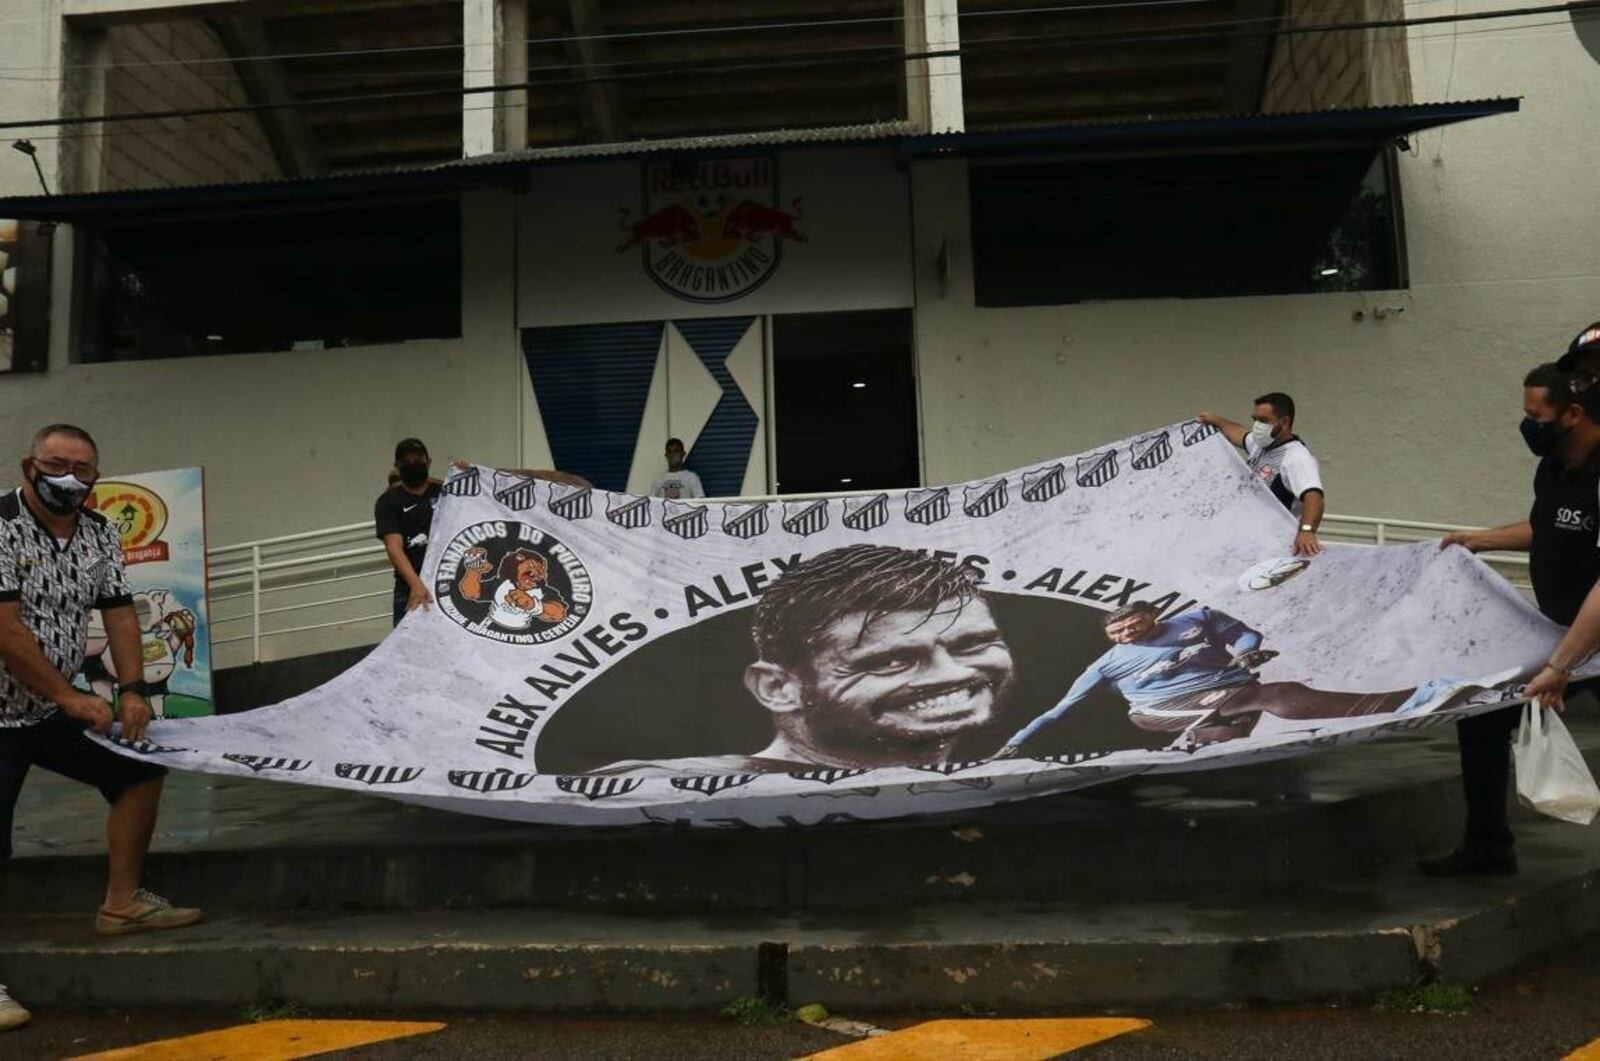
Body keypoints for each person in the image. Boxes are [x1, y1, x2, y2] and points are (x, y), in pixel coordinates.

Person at [1, 425, 203, 1030]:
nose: (69, 477)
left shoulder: (99, 532)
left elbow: (118, 612)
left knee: (139, 768)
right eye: (56, 464)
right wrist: (69, 694)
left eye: (82, 469)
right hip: (11, 709)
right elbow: (5, 628)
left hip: (49, 711)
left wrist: (134, 690)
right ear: (28, 464)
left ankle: (122, 904)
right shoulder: (1, 525)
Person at [593, 545, 1015, 775]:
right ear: (777, 688)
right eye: (890, 662)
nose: (955, 673)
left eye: (973, 645)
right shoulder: (659, 788)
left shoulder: (1007, 778)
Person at [1423, 359, 1600, 876]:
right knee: (1481, 718)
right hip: (1566, 633)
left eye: (1536, 416)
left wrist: (1560, 667)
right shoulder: (1554, 466)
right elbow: (1550, 526)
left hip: (1585, 640)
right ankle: (1487, 846)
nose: (1527, 426)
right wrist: (1477, 539)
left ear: (1572, 413)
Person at [994, 602, 1497, 756]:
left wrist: (1245, 653)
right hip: (1156, 711)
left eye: (1130, 626)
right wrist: (1016, 743)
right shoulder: (1105, 664)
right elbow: (1061, 709)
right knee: (1276, 695)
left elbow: (1247, 635)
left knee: (1245, 709)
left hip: (1221, 691)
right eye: (1116, 631)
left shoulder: (1196, 618)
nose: (1124, 634)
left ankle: (1203, 740)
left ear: (1150, 618)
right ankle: (1415, 698)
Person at [1198, 393, 1326, 557]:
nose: (1257, 426)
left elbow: (1314, 497)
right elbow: (1240, 434)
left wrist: (1307, 531)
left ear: (1285, 422)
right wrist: (1215, 420)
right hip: (1251, 540)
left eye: (1264, 421)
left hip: (1276, 545)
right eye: (1255, 419)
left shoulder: (1296, 458)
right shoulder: (1261, 446)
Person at [375, 438, 441, 626]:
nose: (413, 465)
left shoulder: (445, 492)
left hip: (448, 584)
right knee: (409, 651)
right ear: (398, 466)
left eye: (418, 460)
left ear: (428, 462)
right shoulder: (388, 502)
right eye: (407, 462)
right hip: (409, 588)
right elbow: (394, 547)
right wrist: (416, 585)